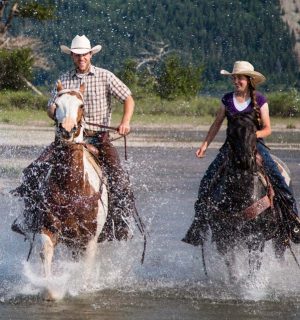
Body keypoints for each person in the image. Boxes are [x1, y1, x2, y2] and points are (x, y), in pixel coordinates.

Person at [14, 35, 141, 243]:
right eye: (77, 54)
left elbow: (128, 98)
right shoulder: (63, 80)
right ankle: (29, 219)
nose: (81, 58)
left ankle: (120, 223)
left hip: (98, 138)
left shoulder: (104, 76)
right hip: (67, 139)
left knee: (119, 178)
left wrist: (125, 122)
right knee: (33, 171)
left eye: (84, 54)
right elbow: (50, 108)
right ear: (72, 56)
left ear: (91, 55)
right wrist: (55, 112)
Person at [182, 60, 299, 247]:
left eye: (240, 78)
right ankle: (199, 225)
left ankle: (293, 220)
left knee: (278, 177)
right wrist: (205, 144)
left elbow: (268, 129)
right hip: (230, 146)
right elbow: (217, 124)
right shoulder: (227, 100)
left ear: (249, 80)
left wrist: (251, 136)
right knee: (207, 181)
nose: (236, 81)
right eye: (234, 78)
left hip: (255, 145)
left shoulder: (260, 99)